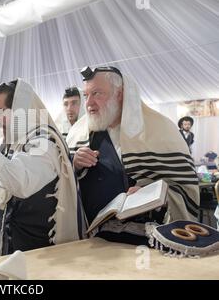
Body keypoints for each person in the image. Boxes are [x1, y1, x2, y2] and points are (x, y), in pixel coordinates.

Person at [0, 78, 84, 258]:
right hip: (6, 248)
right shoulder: (7, 144)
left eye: (3, 111)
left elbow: (21, 181)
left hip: (35, 255)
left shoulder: (45, 144)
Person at [67, 66, 200, 245]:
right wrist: (74, 164)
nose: (89, 103)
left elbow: (185, 189)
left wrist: (154, 193)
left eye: (97, 93)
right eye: (86, 95)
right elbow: (63, 187)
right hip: (94, 242)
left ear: (120, 94)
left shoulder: (161, 130)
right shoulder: (78, 134)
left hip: (147, 240)